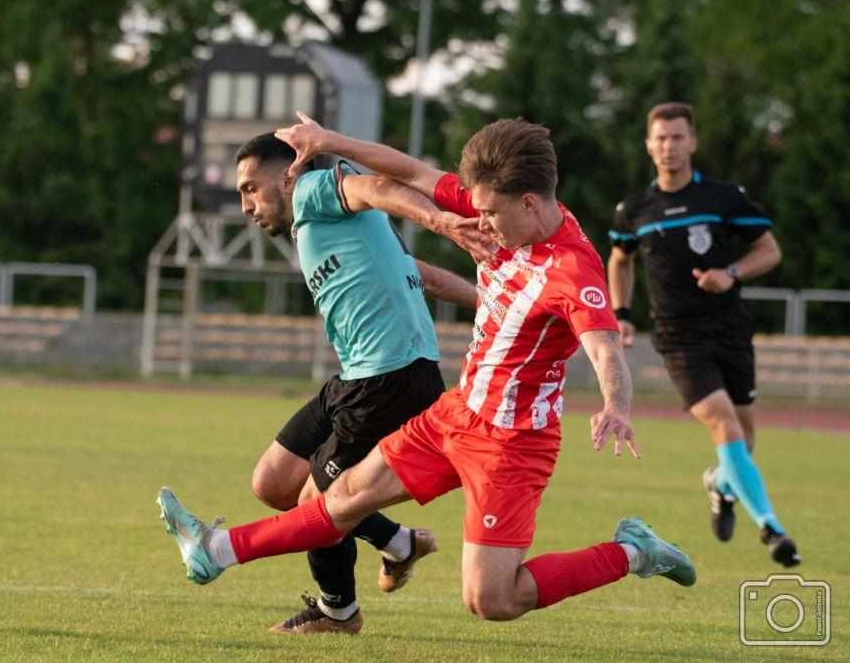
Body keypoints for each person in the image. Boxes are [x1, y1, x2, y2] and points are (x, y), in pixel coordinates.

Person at [157, 117, 696, 626]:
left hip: (512, 442)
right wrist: (326, 140)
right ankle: (215, 550)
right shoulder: (503, 207)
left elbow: (604, 346)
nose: (479, 223)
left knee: (492, 600)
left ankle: (631, 551)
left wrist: (617, 406)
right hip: (455, 412)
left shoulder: (574, 268)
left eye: (490, 213)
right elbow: (408, 171)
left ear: (530, 203)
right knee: (339, 499)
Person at [195, 133, 485, 634]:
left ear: (286, 176)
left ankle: (338, 611)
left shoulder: (309, 193)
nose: (245, 205)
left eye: (250, 188)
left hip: (391, 381)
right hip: (356, 379)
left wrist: (440, 221)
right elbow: (424, 277)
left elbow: (373, 185)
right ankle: (399, 543)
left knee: (315, 504)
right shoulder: (340, 231)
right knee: (272, 484)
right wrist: (499, 303)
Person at [607, 102, 797, 567]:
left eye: (677, 137)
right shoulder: (634, 208)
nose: (669, 146)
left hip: (730, 329)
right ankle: (773, 529)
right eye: (661, 138)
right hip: (678, 337)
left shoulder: (725, 197)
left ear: (692, 142)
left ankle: (719, 483)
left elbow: (768, 250)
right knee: (724, 425)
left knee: (743, 444)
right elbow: (620, 259)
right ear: (649, 145)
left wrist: (731, 272)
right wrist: (623, 312)